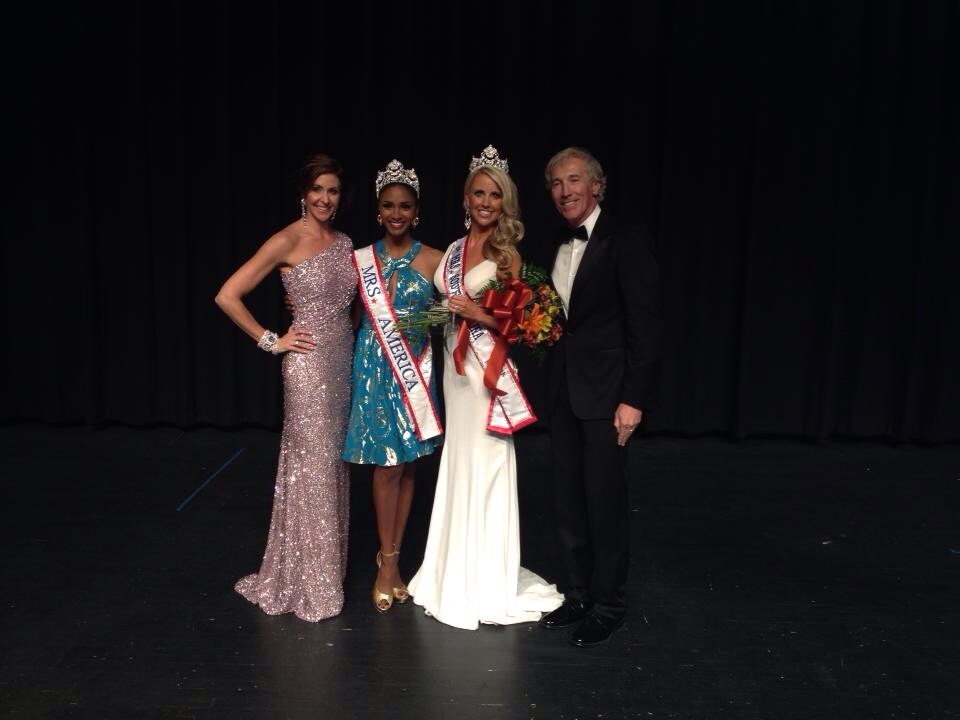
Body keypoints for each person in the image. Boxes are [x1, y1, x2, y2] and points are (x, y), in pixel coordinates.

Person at [407, 145, 564, 630]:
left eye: (495, 194)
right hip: (454, 374)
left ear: (506, 202)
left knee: (488, 460)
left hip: (485, 372)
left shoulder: (507, 253)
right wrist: (415, 323)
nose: (486, 202)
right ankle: (453, 568)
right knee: (459, 460)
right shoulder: (453, 251)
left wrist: (480, 313)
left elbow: (518, 322)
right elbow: (445, 307)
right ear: (466, 197)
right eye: (479, 192)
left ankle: (485, 578)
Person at [214, 152, 357, 622]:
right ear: (303, 193)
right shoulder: (285, 240)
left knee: (333, 468)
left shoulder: (345, 243)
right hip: (307, 368)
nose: (325, 198)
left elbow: (350, 308)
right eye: (318, 189)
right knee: (311, 470)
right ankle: (309, 584)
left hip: (343, 365)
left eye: (333, 191)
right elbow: (227, 295)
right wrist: (272, 340)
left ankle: (325, 573)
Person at [536, 147, 661, 646]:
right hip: (565, 391)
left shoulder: (625, 239)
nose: (564, 191)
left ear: (596, 186)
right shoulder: (555, 242)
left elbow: (646, 328)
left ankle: (609, 603)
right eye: (556, 183)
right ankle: (579, 593)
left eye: (573, 181)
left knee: (604, 500)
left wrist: (634, 399)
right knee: (567, 498)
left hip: (609, 396)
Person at [341, 159, 444, 613]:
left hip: (415, 371)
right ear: (378, 211)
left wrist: (423, 321)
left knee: (407, 468)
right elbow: (347, 315)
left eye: (405, 206)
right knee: (385, 467)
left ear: (416, 211)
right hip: (373, 368)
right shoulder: (358, 260)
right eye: (389, 206)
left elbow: (453, 312)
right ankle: (386, 565)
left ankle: (396, 560)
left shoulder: (437, 259)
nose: (397, 214)